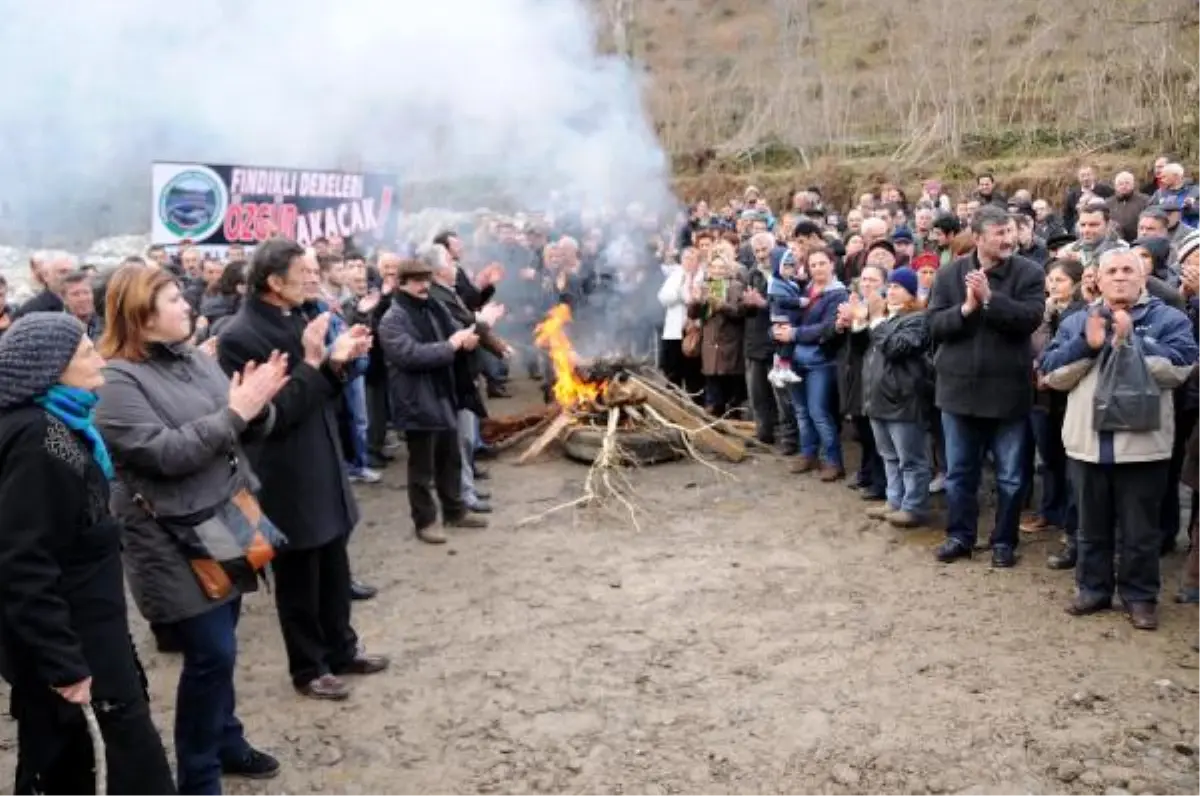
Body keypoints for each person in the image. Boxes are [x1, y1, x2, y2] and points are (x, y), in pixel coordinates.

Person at [94, 266, 289, 793]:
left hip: (225, 515)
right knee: (210, 654)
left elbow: (237, 424)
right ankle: (199, 778)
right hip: (169, 538)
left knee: (224, 639)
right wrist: (237, 411)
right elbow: (164, 453)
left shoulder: (192, 359)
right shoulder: (115, 380)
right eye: (174, 299)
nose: (188, 306)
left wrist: (258, 404)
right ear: (141, 314)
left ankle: (227, 740)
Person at [0, 312, 175, 796]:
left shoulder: (58, 423)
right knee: (105, 764)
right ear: (50, 368)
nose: (99, 357)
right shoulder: (39, 441)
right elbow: (23, 564)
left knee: (71, 759)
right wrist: (65, 665)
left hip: (90, 628)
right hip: (72, 643)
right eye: (84, 353)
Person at [217, 239, 388, 701]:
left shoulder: (297, 317)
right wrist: (317, 362)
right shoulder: (240, 336)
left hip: (322, 458)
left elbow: (318, 394)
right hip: (285, 472)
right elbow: (269, 415)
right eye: (303, 272)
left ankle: (341, 648)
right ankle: (308, 667)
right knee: (299, 578)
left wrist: (340, 362)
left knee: (334, 565)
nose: (312, 279)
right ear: (274, 282)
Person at [1041, 250, 1197, 630]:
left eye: (1129, 269)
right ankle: (1093, 589)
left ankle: (1140, 597)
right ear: (1099, 279)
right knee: (1091, 527)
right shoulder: (1078, 319)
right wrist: (1088, 345)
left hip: (1143, 447)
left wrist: (1133, 342)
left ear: (1143, 277)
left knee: (1141, 532)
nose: (1121, 277)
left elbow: (1180, 367)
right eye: (1112, 271)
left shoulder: (1168, 318)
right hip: (1087, 444)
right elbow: (1050, 372)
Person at [926, 206, 1046, 567]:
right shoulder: (949, 275)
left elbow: (1030, 319)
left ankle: (1004, 540)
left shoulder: (1029, 272)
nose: (1008, 239)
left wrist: (991, 300)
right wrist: (965, 309)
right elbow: (932, 325)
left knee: (1010, 476)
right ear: (977, 237)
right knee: (961, 474)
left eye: (1010, 232)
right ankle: (960, 536)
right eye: (999, 233)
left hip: (1008, 394)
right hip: (958, 392)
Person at [377, 257, 490, 544]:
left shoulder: (434, 308)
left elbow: (455, 331)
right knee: (422, 468)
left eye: (426, 279)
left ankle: (455, 511)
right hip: (416, 400)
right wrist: (452, 345)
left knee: (449, 458)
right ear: (401, 283)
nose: (424, 285)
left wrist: (468, 338)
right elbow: (409, 355)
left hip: (442, 394)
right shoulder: (393, 319)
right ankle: (425, 522)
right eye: (416, 280)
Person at [862, 267, 934, 526]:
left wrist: (876, 321)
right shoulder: (887, 319)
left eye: (898, 287)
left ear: (911, 293)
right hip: (879, 400)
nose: (890, 291)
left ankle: (914, 506)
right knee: (889, 457)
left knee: (910, 458)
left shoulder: (917, 319)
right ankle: (894, 501)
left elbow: (896, 349)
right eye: (889, 286)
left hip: (903, 400)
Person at [773, 246, 849, 479]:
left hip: (821, 361)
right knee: (801, 411)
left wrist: (794, 333)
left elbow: (827, 328)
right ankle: (809, 454)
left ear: (832, 265)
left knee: (819, 412)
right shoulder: (803, 289)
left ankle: (833, 461)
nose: (817, 268)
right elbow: (787, 316)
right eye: (813, 264)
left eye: (822, 263)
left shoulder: (838, 294)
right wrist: (777, 328)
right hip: (795, 360)